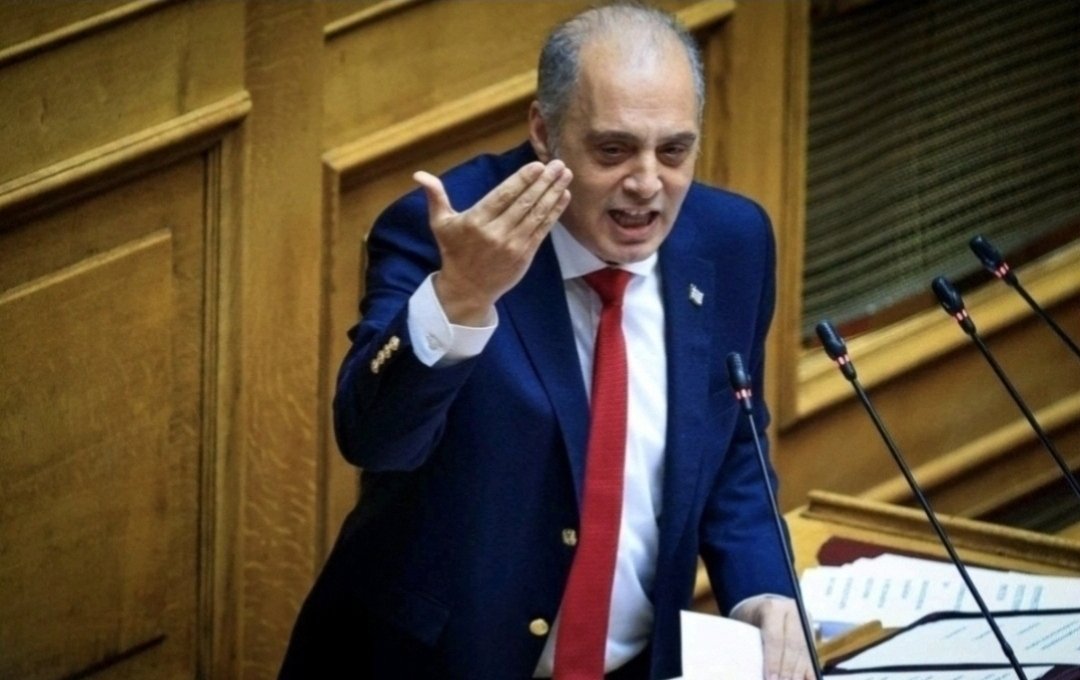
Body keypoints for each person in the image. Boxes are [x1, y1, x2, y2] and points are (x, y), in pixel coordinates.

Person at [279, 3, 813, 679]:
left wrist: (763, 589)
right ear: (544, 130)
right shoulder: (448, 231)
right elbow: (374, 439)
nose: (647, 184)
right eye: (613, 150)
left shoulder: (732, 241)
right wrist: (461, 296)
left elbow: (734, 442)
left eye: (674, 151)